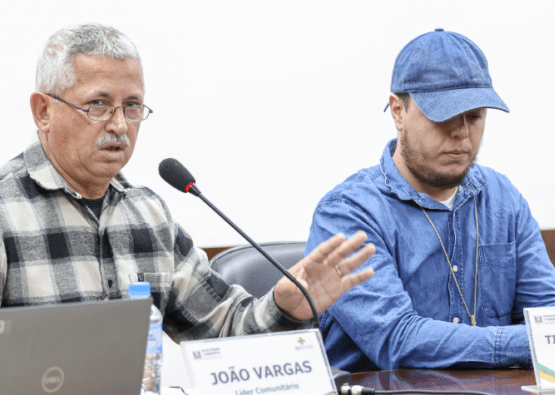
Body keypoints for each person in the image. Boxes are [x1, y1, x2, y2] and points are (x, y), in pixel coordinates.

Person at [0, 23, 375, 341]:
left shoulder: (147, 215)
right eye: (98, 104)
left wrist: (284, 306)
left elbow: (224, 327)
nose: (118, 124)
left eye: (132, 106)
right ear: (43, 111)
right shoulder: (6, 209)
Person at [304, 29, 555, 372]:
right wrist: (530, 342)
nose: (461, 131)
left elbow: (554, 317)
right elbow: (397, 339)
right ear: (398, 111)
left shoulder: (503, 199)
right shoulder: (348, 212)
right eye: (444, 116)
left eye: (475, 116)